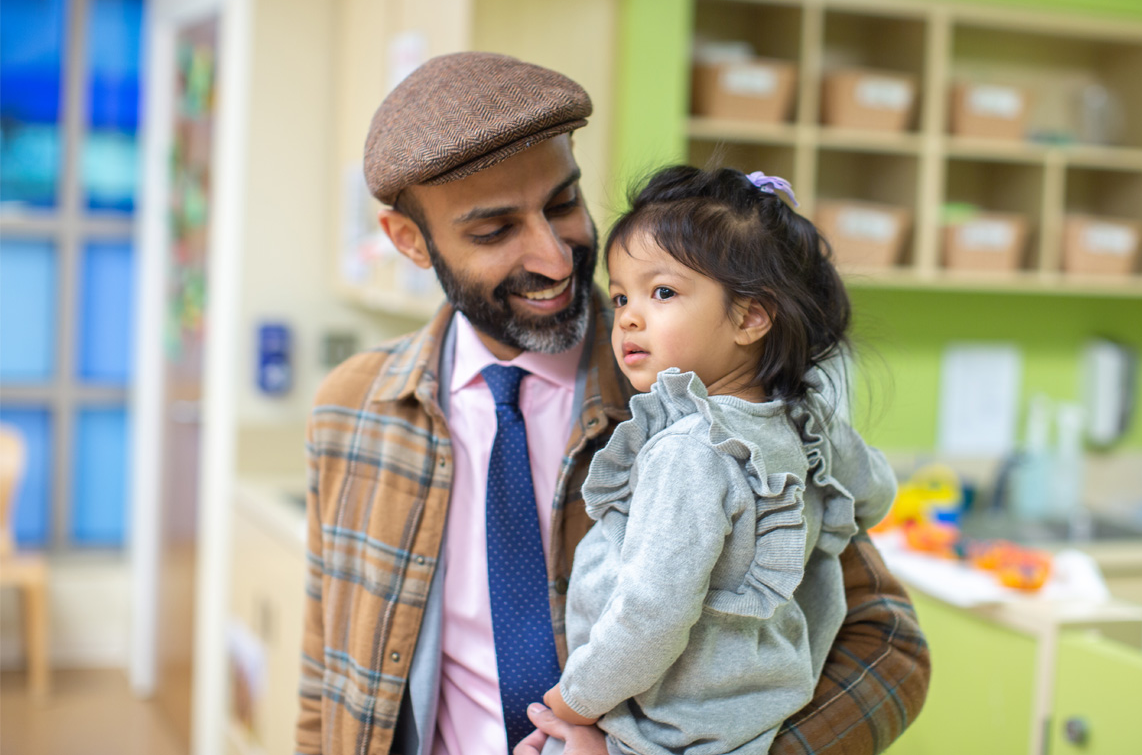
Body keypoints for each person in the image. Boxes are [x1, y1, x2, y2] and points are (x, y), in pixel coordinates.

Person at [295, 52, 930, 755]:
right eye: (495, 230)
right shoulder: (352, 410)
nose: (557, 257)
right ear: (410, 241)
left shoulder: (709, 399)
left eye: (562, 203)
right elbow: (325, 680)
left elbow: (890, 646)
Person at [537, 165, 897, 755]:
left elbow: (651, 613)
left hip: (666, 730)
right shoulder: (807, 419)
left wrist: (575, 701)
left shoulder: (691, 452)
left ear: (750, 317)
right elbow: (876, 493)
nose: (626, 315)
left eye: (663, 293)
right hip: (759, 711)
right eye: (622, 294)